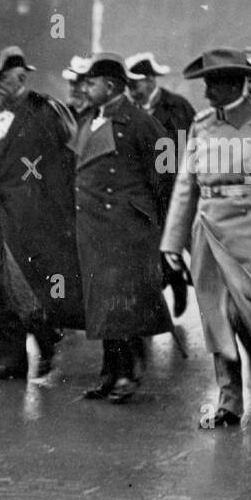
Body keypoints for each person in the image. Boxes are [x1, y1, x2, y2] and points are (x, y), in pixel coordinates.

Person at [160, 48, 251, 427]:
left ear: (235, 84)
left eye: (214, 83)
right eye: (206, 83)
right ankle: (228, 401)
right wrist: (172, 241)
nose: (207, 92)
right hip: (209, 234)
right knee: (216, 318)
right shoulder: (202, 124)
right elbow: (185, 184)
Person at [0, 42, 85, 379]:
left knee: (26, 280)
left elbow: (64, 158)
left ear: (20, 77)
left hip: (30, 211)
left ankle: (46, 341)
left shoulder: (43, 111)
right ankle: (10, 359)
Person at [71, 54, 173, 403]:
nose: (85, 87)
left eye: (91, 82)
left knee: (122, 302)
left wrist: (149, 215)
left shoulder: (139, 121)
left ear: (111, 86)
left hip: (125, 227)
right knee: (102, 302)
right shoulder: (91, 119)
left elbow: (166, 165)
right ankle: (109, 374)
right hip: (94, 226)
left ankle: (127, 374)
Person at [126, 51, 195, 316]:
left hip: (175, 188)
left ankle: (184, 280)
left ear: (152, 80)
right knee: (150, 247)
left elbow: (188, 145)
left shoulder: (176, 106)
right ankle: (172, 284)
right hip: (145, 192)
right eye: (129, 85)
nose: (133, 90)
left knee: (182, 241)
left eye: (137, 84)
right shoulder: (130, 111)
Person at [126, 52, 196, 139]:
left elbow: (185, 144)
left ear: (150, 80)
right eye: (129, 88)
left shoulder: (177, 106)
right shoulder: (130, 111)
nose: (132, 94)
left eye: (135, 87)